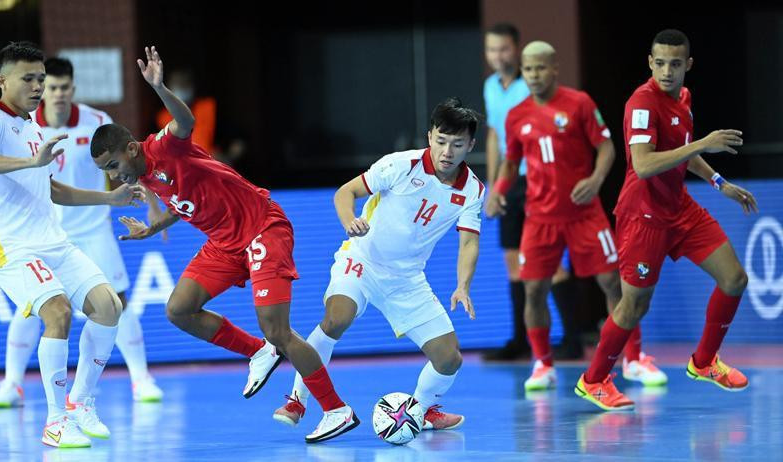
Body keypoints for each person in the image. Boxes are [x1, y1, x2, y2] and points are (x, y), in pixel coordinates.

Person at [91, 46, 358, 443]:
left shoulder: (163, 146)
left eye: (113, 166)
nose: (114, 177)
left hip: (262, 228)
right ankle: (257, 353)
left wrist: (159, 88)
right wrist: (153, 226)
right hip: (224, 242)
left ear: (130, 149)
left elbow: (186, 120)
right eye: (106, 172)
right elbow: (185, 204)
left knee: (278, 331)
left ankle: (336, 409)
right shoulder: (143, 178)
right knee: (179, 309)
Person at [272, 98, 482, 431]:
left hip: (407, 279)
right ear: (430, 136)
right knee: (336, 318)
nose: (447, 151)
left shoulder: (472, 191)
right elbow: (345, 192)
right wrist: (349, 220)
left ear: (470, 145)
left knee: (449, 358)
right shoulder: (401, 164)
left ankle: (421, 410)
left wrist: (462, 285)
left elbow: (469, 241)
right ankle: (298, 399)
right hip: (361, 260)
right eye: (441, 141)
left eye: (457, 144)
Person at [574, 30, 757, 411]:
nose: (667, 71)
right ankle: (593, 381)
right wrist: (703, 143)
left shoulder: (684, 99)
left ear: (688, 65)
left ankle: (704, 362)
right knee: (634, 305)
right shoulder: (642, 103)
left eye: (675, 64)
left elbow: (681, 153)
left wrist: (717, 180)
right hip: (643, 216)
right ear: (650, 62)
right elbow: (642, 164)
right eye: (660, 63)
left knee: (735, 279)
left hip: (680, 207)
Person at [0, 41, 143, 447]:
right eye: (28, 79)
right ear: (3, 81)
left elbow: (49, 189)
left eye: (41, 79)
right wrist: (30, 162)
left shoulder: (33, 126)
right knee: (57, 312)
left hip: (54, 241)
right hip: (11, 248)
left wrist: (110, 197)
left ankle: (80, 403)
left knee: (110, 306)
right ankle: (55, 423)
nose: (37, 87)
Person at [487, 41, 664, 390]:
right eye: (528, 69)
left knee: (614, 283)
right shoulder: (516, 115)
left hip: (585, 214)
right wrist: (498, 191)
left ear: (554, 68)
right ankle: (543, 364)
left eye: (540, 68)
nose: (534, 75)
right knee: (533, 290)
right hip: (539, 218)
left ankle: (634, 360)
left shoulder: (579, 103)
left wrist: (596, 180)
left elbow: (607, 147)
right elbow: (510, 162)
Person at [482, 23, 581, 361]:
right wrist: (495, 185)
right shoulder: (491, 88)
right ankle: (520, 340)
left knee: (549, 263)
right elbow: (496, 136)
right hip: (510, 181)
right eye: (492, 50)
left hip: (539, 181)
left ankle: (572, 338)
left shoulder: (533, 87)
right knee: (514, 261)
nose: (498, 56)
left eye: (504, 49)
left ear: (517, 49)